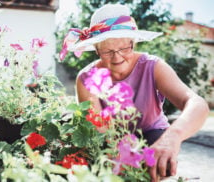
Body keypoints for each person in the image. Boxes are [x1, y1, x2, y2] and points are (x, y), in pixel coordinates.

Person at [60, 3, 209, 182]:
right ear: (97, 50)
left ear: (133, 42)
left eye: (124, 48)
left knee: (158, 165)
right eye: (107, 51)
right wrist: (124, 154)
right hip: (111, 140)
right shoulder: (86, 78)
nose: (117, 57)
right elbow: (101, 131)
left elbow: (197, 103)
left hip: (153, 136)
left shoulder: (153, 67)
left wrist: (172, 137)